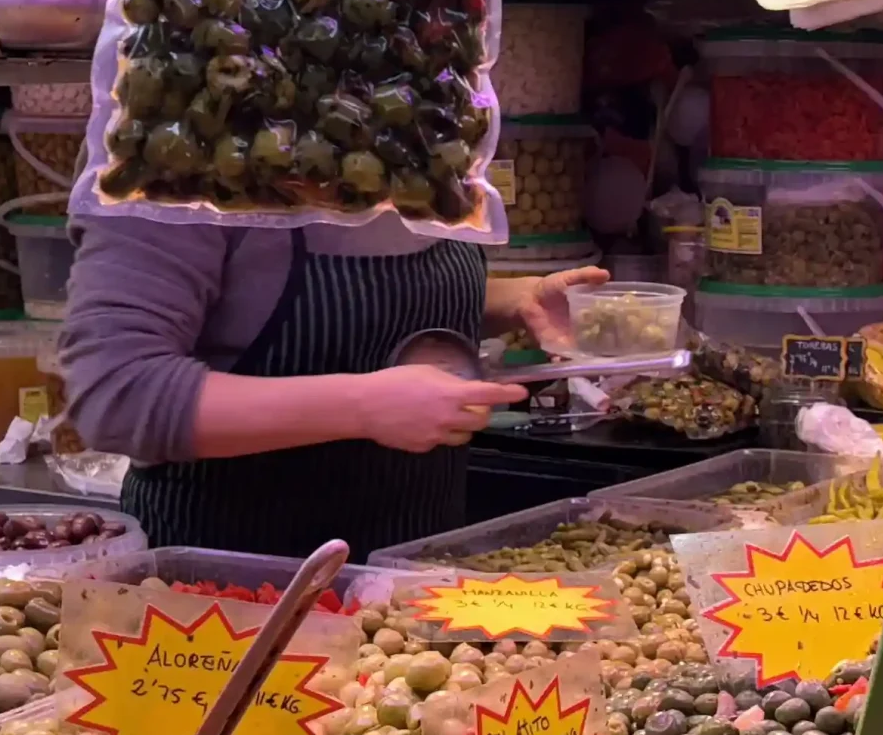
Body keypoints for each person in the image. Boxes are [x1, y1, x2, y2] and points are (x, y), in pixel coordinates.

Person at [59, 212, 605, 558]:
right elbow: (119, 393)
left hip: (407, 583)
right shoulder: (179, 163)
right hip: (230, 602)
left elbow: (365, 307)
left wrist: (512, 300)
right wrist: (363, 406)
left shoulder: (416, 146)